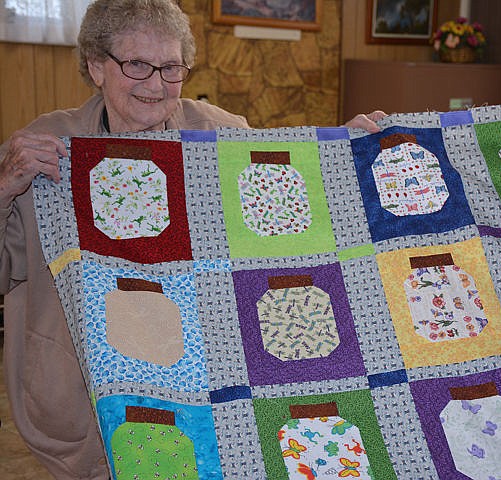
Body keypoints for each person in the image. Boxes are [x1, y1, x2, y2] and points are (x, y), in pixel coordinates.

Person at [0, 0, 385, 478]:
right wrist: (3, 186)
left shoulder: (216, 134)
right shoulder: (45, 149)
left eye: (171, 67)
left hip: (201, 391)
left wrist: (334, 157)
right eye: (137, 65)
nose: (156, 84)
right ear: (97, 66)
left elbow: (284, 216)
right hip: (84, 403)